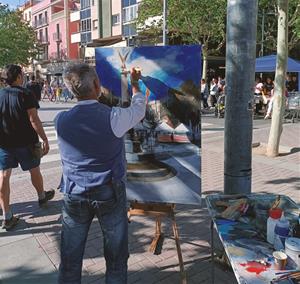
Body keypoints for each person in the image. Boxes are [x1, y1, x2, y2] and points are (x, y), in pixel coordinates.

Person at [55, 63, 146, 284]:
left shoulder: (60, 120)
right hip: (108, 192)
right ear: (96, 85)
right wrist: (135, 85)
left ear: (70, 90)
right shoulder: (113, 117)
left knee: (70, 257)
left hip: (73, 192)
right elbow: (139, 109)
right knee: (115, 257)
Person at [0, 65, 55, 230]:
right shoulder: (26, 94)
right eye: (22, 74)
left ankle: (7, 216)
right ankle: (41, 197)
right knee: (34, 170)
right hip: (26, 142)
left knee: (4, 176)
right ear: (17, 77)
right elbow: (34, 120)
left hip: (4, 144)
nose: (23, 77)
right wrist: (45, 138)